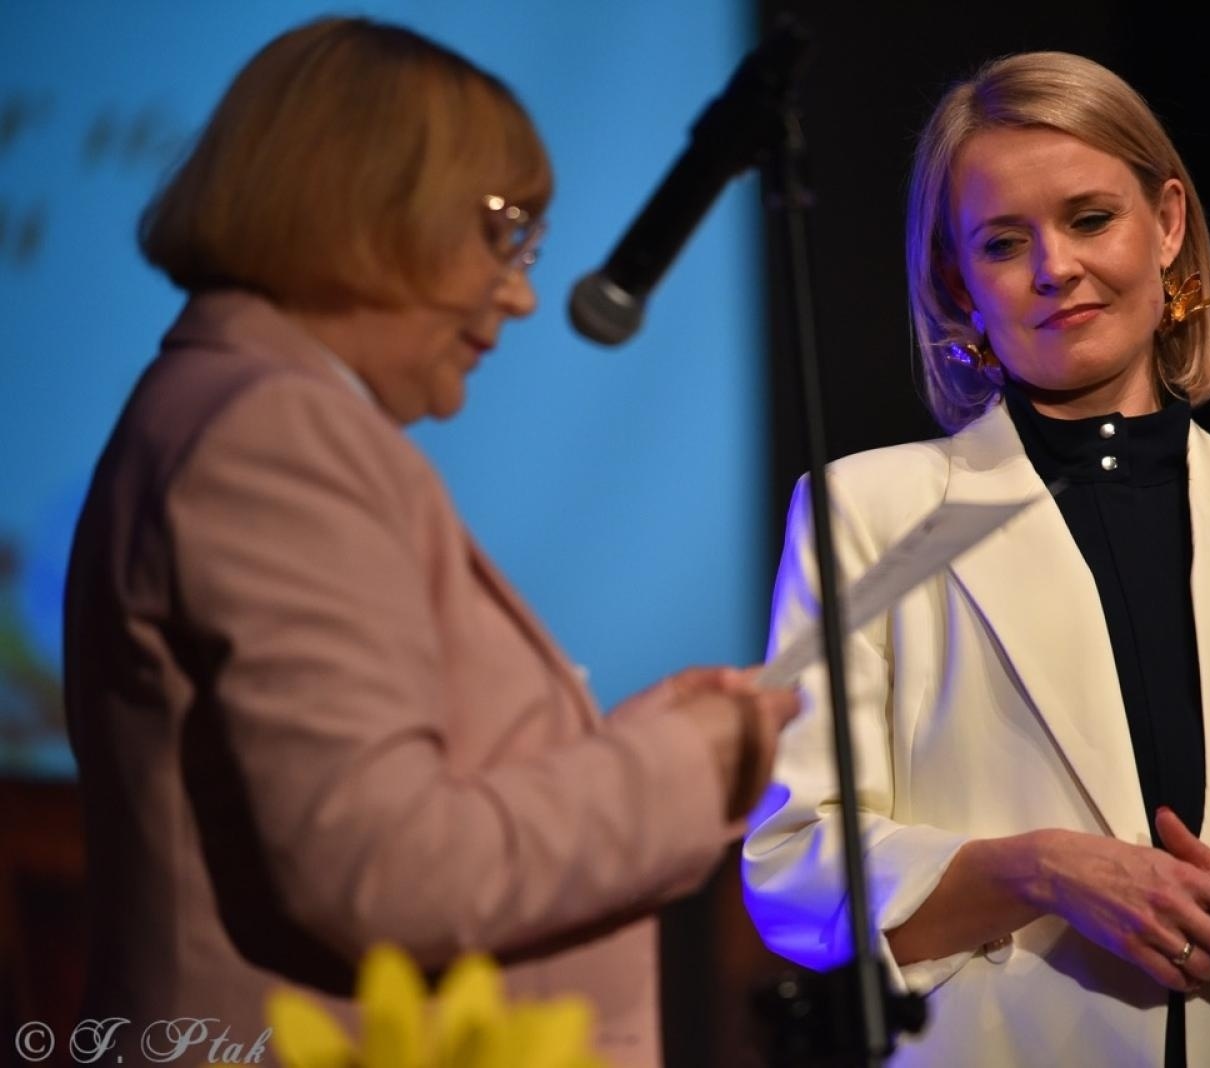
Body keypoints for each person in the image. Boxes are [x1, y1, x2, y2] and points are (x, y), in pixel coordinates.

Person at [742, 51, 1210, 1067]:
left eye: (1089, 219)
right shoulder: (864, 513)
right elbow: (796, 864)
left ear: (1169, 224)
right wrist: (1042, 872)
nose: (1055, 267)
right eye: (1004, 242)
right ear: (955, 281)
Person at [63, 18, 795, 1068]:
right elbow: (384, 868)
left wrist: (609, 750)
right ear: (359, 199)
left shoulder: (231, 406)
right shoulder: (275, 433)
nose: (522, 291)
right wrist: (681, 767)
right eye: (503, 234)